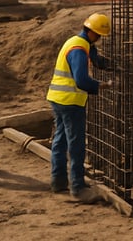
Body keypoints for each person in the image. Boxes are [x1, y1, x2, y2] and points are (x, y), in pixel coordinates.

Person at [46, 12, 113, 204]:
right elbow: (82, 80)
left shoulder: (79, 42)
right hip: (70, 102)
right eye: (99, 36)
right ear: (92, 32)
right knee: (76, 145)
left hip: (58, 99)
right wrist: (101, 85)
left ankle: (58, 181)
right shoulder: (78, 49)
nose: (99, 40)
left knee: (60, 140)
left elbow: (96, 59)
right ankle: (77, 188)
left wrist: (113, 65)